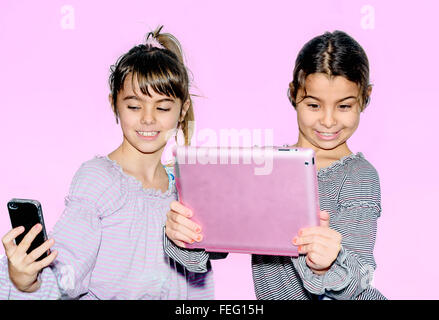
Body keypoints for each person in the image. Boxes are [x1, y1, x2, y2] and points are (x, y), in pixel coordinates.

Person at [164, 30, 386, 300]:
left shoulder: (358, 176)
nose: (328, 121)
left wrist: (329, 261)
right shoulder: (263, 166)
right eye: (314, 105)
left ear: (365, 97)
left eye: (344, 106)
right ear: (293, 94)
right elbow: (210, 244)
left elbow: (361, 277)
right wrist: (184, 232)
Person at [0, 26, 214, 299]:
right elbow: (67, 263)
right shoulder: (99, 178)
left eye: (162, 107)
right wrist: (26, 279)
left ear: (182, 111)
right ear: (115, 104)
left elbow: (198, 282)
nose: (148, 119)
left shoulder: (186, 190)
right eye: (134, 106)